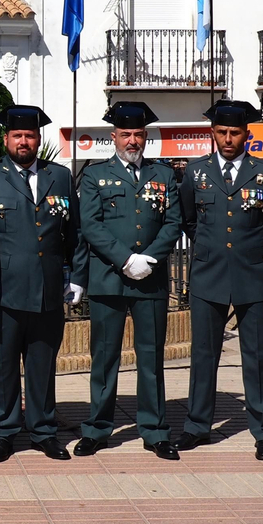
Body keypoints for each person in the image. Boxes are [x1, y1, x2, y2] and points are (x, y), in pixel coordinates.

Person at [0, 104, 84, 462]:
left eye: (30, 136)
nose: (24, 142)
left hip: (48, 290)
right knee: (2, 364)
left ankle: (43, 430)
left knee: (42, 364)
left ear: (38, 139)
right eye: (17, 135)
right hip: (1, 291)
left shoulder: (60, 177)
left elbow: (75, 233)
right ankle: (2, 431)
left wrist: (77, 277)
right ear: (6, 139)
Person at [175, 100, 263, 460]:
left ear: (246, 134)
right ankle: (196, 426)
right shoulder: (195, 172)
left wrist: (252, 251)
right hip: (209, 274)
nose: (227, 139)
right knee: (203, 355)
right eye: (221, 132)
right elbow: (190, 221)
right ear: (212, 133)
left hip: (252, 275)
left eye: (234, 132)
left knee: (258, 356)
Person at [75, 101, 185, 460]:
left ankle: (154, 430)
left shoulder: (164, 175)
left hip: (150, 278)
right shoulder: (94, 175)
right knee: (104, 356)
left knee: (151, 357)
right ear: (114, 137)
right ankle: (96, 428)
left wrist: (148, 258)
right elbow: (90, 225)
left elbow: (173, 222)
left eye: (138, 134)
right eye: (126, 134)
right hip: (108, 277)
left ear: (146, 137)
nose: (133, 140)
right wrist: (126, 259)